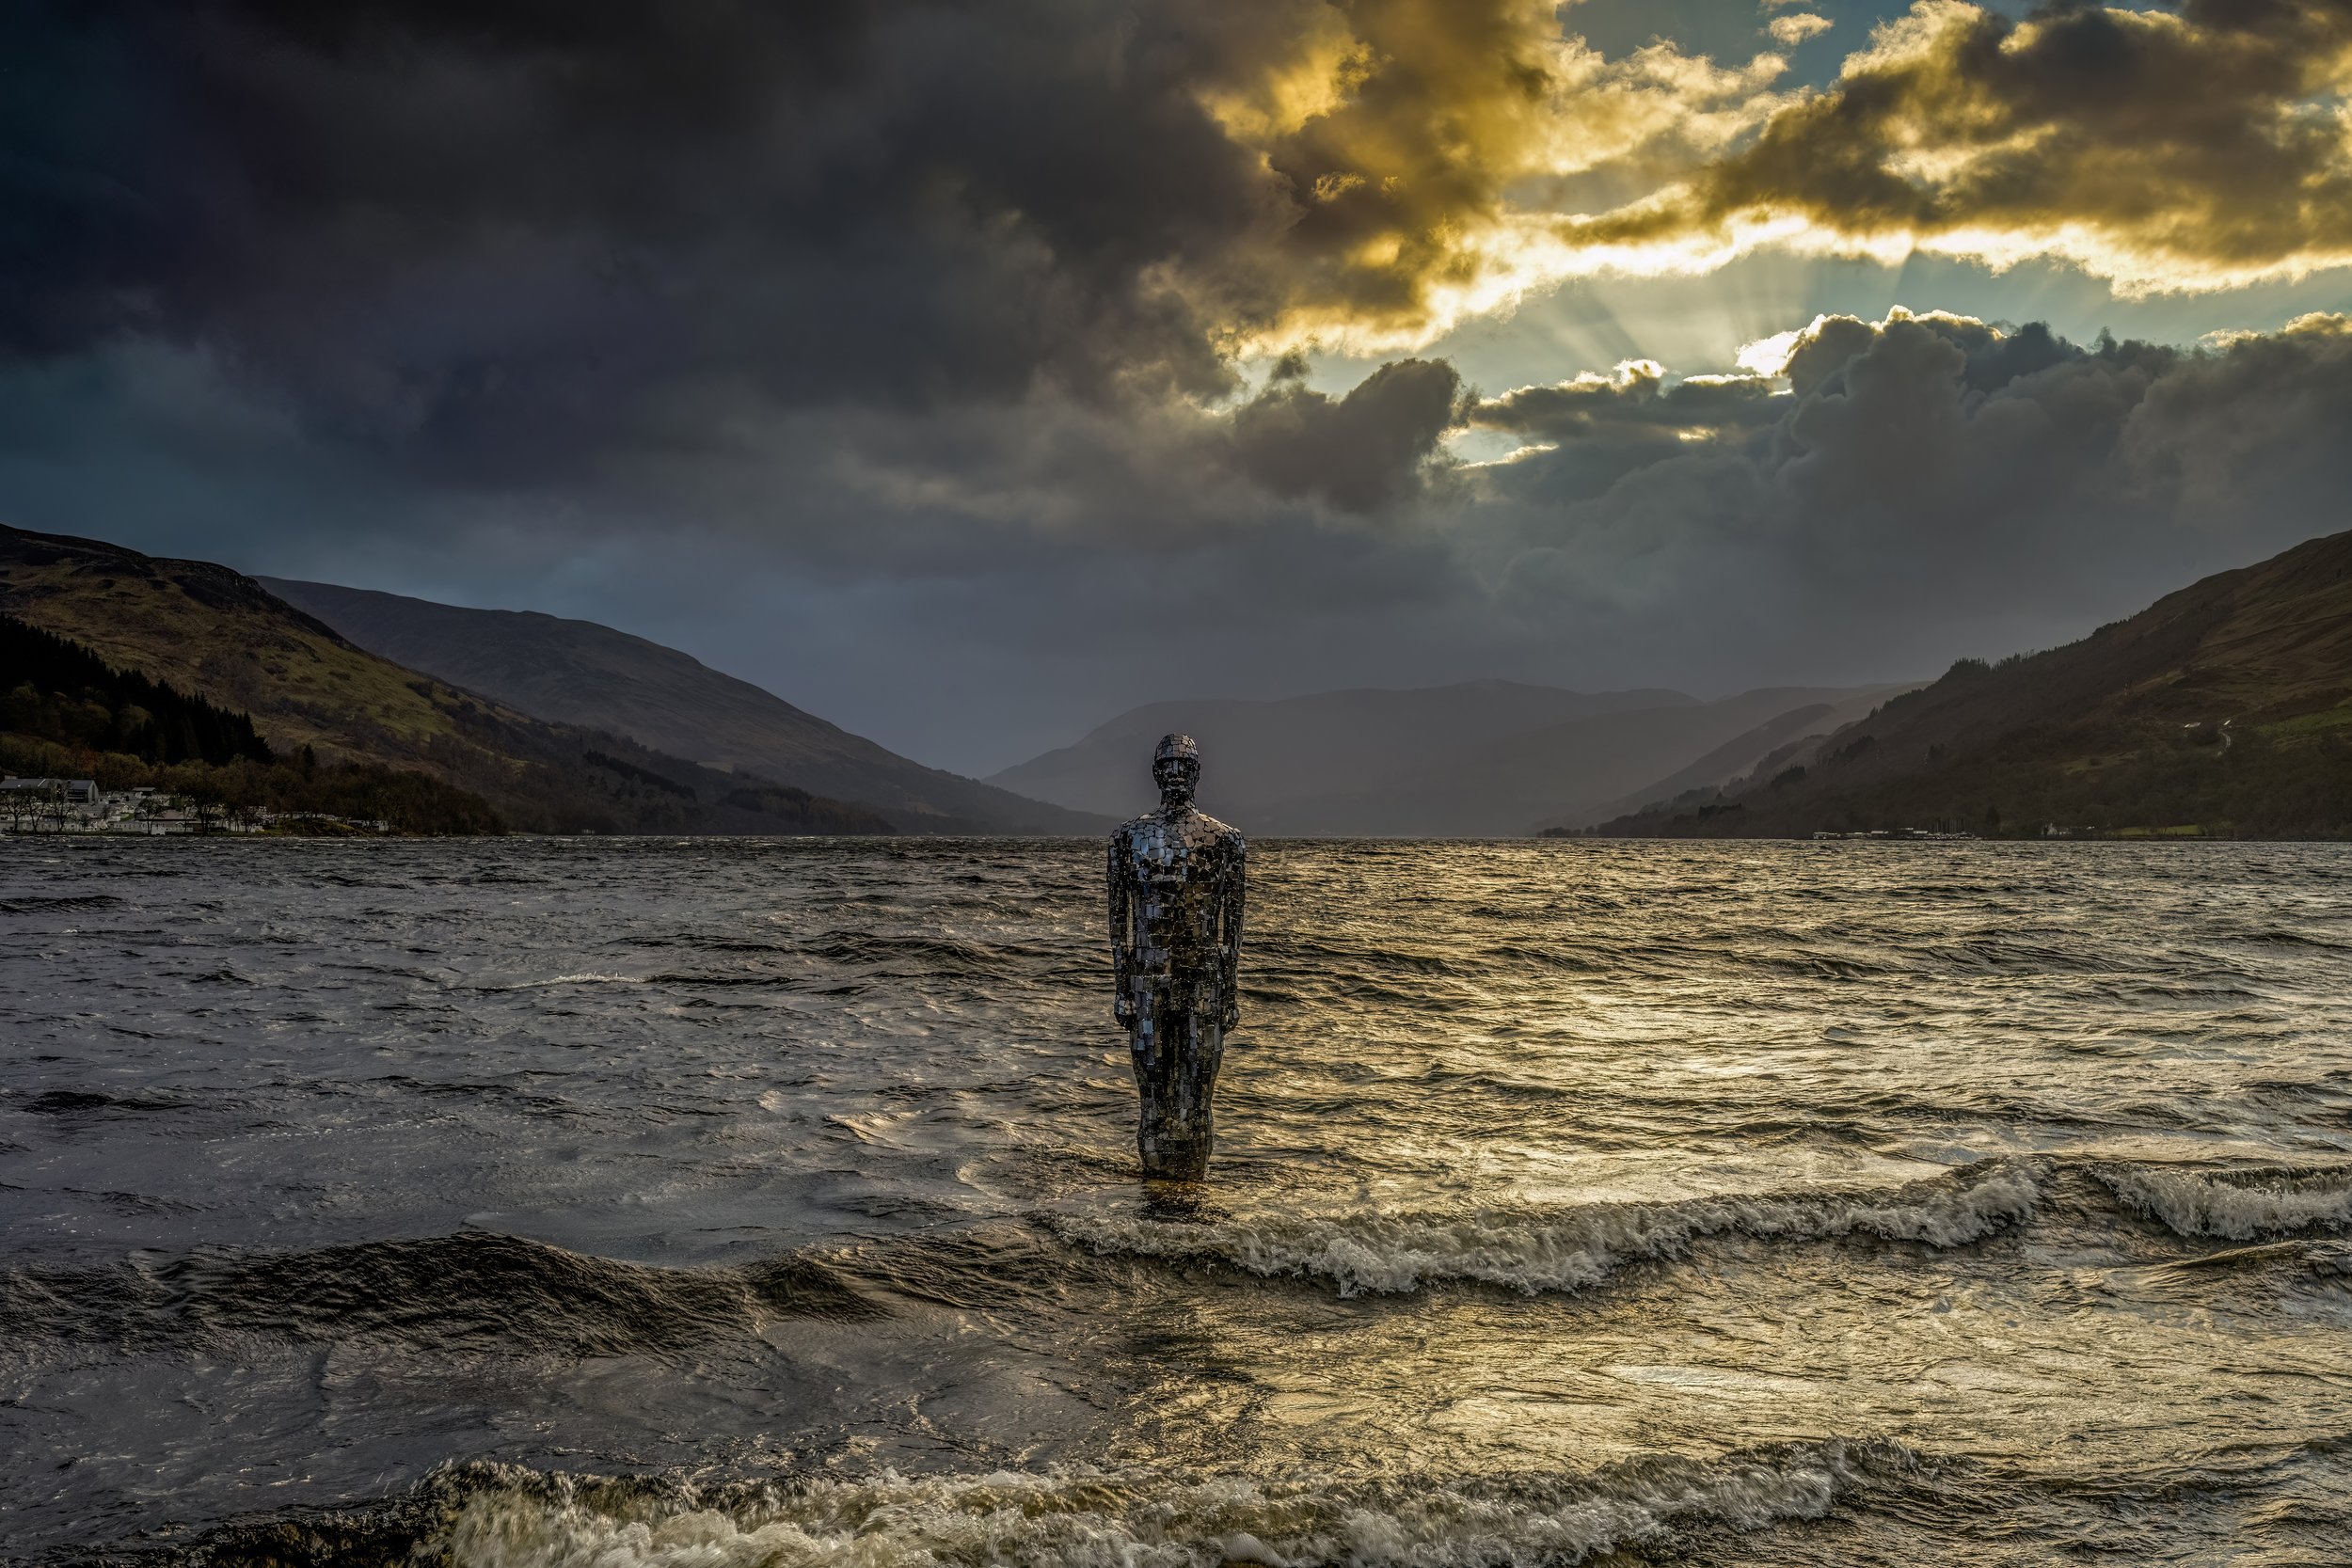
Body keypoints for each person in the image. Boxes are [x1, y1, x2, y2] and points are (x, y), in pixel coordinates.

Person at [1107, 733, 1246, 1180]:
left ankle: (1192, 1186)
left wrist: (1229, 992)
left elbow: (1232, 928)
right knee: (1151, 1085)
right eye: (1168, 765)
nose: (1175, 774)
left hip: (1203, 979)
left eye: (1184, 766)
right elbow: (1120, 925)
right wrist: (1123, 988)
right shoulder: (1128, 840)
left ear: (1197, 774)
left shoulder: (1225, 842)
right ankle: (1155, 1187)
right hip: (1148, 979)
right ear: (1155, 772)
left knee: (1199, 1087)